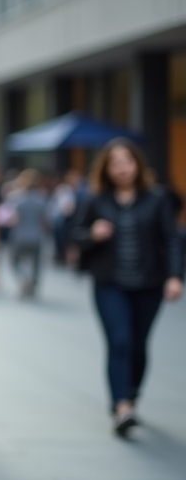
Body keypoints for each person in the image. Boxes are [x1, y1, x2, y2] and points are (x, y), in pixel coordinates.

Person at [71, 139, 182, 437]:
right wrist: (92, 234)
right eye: (115, 163)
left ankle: (132, 396)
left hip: (149, 283)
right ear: (106, 169)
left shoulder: (157, 199)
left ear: (138, 165)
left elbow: (172, 238)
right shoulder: (97, 200)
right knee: (119, 341)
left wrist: (175, 276)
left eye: (127, 162)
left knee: (138, 343)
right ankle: (121, 406)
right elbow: (74, 235)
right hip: (110, 283)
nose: (121, 168)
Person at [8, 169, 48, 298]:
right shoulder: (41, 199)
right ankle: (33, 284)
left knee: (15, 261)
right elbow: (46, 220)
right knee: (36, 263)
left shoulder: (17, 199)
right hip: (37, 236)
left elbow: (14, 219)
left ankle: (23, 279)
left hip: (20, 236)